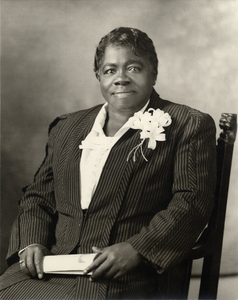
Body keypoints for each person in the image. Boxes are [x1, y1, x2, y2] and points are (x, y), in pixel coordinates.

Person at [0, 27, 216, 299]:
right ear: (99, 76)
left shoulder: (187, 124)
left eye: (134, 68)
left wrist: (137, 249)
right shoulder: (67, 127)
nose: (121, 79)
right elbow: (39, 196)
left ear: (154, 73)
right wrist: (30, 242)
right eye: (110, 70)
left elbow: (192, 201)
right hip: (54, 265)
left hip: (128, 272)